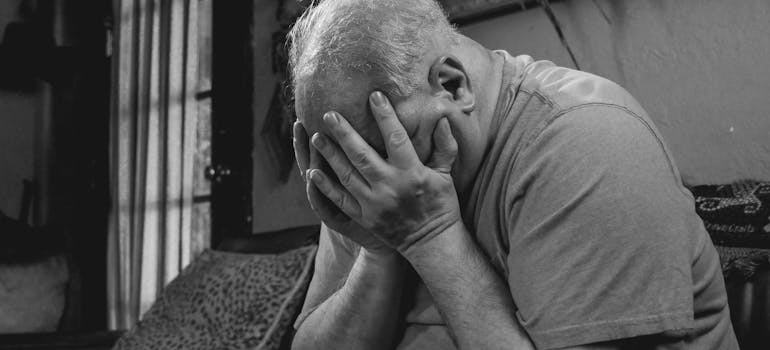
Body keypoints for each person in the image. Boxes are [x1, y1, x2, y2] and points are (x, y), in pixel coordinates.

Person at [287, 0, 738, 349]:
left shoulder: (584, 140)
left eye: (379, 151)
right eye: (347, 161)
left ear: (451, 85)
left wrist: (429, 236)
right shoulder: (367, 167)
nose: (371, 183)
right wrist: (380, 248)